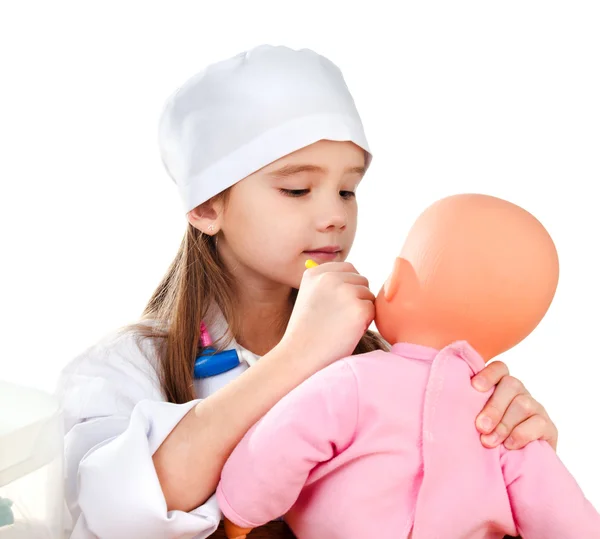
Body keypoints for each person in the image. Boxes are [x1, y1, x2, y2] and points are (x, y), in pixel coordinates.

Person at [56, 45, 559, 539]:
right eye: (297, 189)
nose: (335, 215)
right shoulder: (120, 368)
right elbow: (119, 514)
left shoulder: (386, 366)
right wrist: (298, 356)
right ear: (207, 207)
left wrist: (508, 445)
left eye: (348, 189)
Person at [217, 194, 599, 539]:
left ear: (396, 283)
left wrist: (240, 514)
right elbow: (568, 517)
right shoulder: (500, 422)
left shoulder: (353, 379)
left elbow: (280, 445)